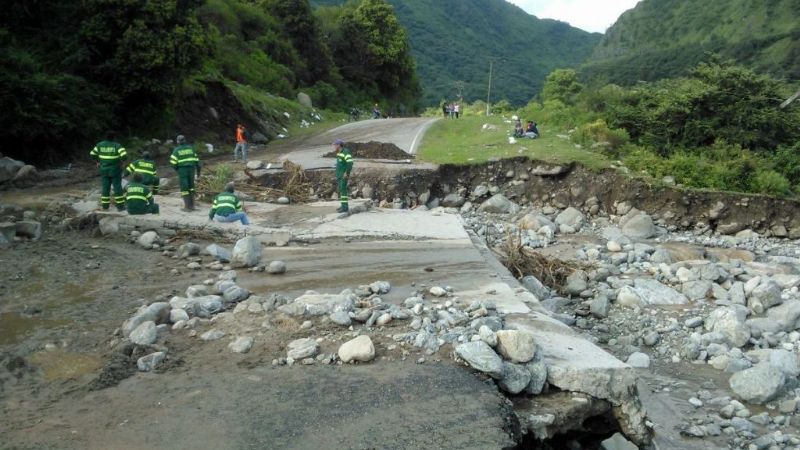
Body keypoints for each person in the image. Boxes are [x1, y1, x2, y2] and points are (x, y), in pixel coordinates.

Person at [90, 131, 127, 211]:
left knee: (105, 188)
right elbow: (124, 155)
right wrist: (121, 162)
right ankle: (120, 207)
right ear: (114, 137)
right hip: (115, 170)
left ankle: (105, 207)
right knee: (117, 187)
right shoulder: (117, 145)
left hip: (103, 170)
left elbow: (92, 154)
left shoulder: (99, 145)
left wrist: (97, 161)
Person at [170, 134, 201, 211]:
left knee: (184, 188)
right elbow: (198, 162)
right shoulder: (191, 149)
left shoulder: (176, 150)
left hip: (182, 170)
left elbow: (173, 163)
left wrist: (177, 170)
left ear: (177, 141)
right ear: (185, 140)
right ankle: (192, 206)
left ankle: (187, 207)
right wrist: (198, 173)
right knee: (191, 187)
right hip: (191, 169)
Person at [333, 139, 353, 213]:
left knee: (343, 190)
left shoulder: (346, 152)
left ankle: (345, 207)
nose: (334, 146)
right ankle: (343, 205)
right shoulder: (339, 153)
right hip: (339, 174)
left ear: (339, 145)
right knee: (341, 190)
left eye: (335, 145)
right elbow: (340, 163)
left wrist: (346, 173)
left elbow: (350, 163)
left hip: (343, 175)